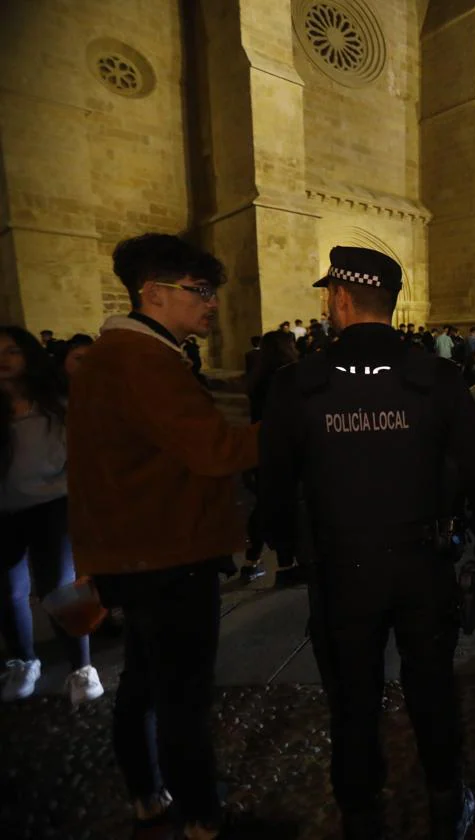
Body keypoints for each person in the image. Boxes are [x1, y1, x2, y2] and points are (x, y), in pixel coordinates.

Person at [258, 247, 475, 840]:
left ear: (341, 298)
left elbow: (271, 489)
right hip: (423, 564)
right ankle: (446, 803)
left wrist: (287, 546)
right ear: (389, 303)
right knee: (432, 688)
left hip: (342, 571)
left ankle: (361, 812)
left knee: (352, 699)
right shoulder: (437, 378)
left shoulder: (298, 383)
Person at [68, 233, 260, 839]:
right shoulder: (144, 361)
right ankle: (202, 818)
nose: (210, 304)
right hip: (168, 553)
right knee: (182, 696)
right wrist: (293, 426)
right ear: (153, 293)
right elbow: (215, 450)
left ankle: (147, 796)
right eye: (198, 291)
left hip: (133, 551)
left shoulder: (112, 355)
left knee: (144, 682)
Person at [0, 326, 103, 705]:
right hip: (5, 510)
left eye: (11, 350)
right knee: (9, 592)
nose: (3, 359)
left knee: (58, 587)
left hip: (52, 505)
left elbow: (79, 455)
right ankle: (24, 661)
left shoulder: (56, 405)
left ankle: (82, 667)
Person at [240, 331, 301, 582]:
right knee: (288, 507)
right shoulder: (289, 376)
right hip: (286, 448)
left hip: (262, 447)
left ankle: (251, 560)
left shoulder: (258, 377)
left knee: (265, 505)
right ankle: (286, 566)